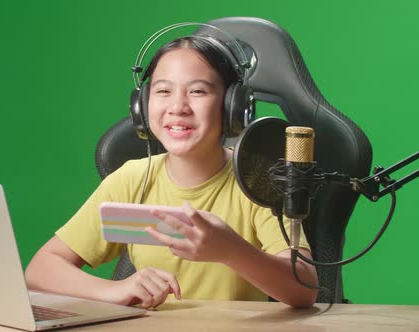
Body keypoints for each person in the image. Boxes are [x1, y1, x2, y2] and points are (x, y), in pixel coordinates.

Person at [25, 35, 318, 309]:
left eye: (197, 91)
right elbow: (41, 270)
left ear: (232, 106)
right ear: (142, 106)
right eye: (163, 91)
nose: (178, 107)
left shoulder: (256, 180)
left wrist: (231, 250)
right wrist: (113, 290)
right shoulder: (134, 181)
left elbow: (304, 290)